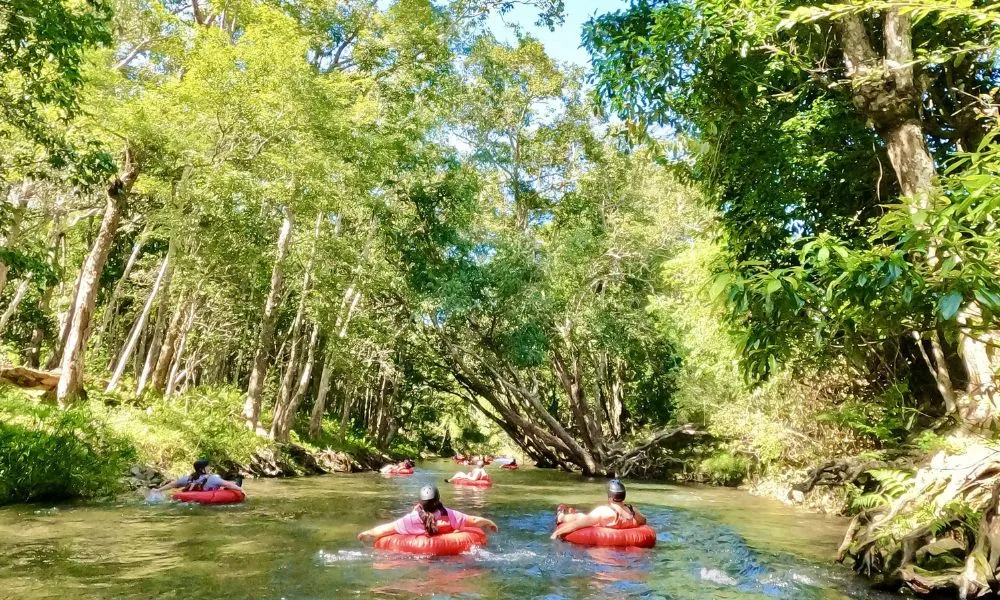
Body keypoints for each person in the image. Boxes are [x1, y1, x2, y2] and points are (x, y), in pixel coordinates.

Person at [357, 485, 499, 541]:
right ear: (439, 500)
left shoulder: (410, 520)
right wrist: (489, 523)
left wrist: (368, 532)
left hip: (418, 560)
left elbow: (386, 529)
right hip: (451, 559)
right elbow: (473, 520)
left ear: (419, 503)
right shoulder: (449, 515)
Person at [550, 479, 646, 539]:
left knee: (580, 517)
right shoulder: (632, 510)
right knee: (585, 517)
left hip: (601, 523)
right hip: (607, 526)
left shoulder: (604, 511)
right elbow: (643, 521)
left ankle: (561, 516)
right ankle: (568, 514)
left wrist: (557, 532)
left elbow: (576, 525)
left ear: (610, 497)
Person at [153, 459, 243, 494]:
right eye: (208, 466)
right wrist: (240, 490)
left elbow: (173, 484)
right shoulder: (214, 479)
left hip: (191, 500)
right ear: (203, 469)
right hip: (209, 504)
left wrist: (158, 490)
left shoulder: (188, 478)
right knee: (237, 480)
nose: (210, 467)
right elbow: (228, 484)